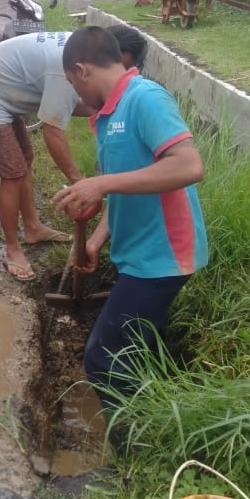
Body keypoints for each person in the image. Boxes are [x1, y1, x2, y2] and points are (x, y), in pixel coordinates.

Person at [53, 26, 208, 411]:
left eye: (73, 82)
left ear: (82, 69)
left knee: (103, 359)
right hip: (139, 254)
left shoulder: (144, 99)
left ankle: (130, 450)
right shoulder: (106, 116)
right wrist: (94, 241)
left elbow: (189, 166)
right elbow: (125, 188)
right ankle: (162, 415)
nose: (76, 93)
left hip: (162, 257)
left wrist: (101, 183)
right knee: (139, 349)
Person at [0, 25, 147, 281]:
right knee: (12, 174)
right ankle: (13, 249)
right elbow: (53, 131)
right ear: (107, 54)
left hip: (0, 95)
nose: (117, 77)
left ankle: (33, 228)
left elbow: (75, 105)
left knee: (23, 162)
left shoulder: (79, 52)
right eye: (118, 67)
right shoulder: (69, 68)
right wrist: (81, 184)